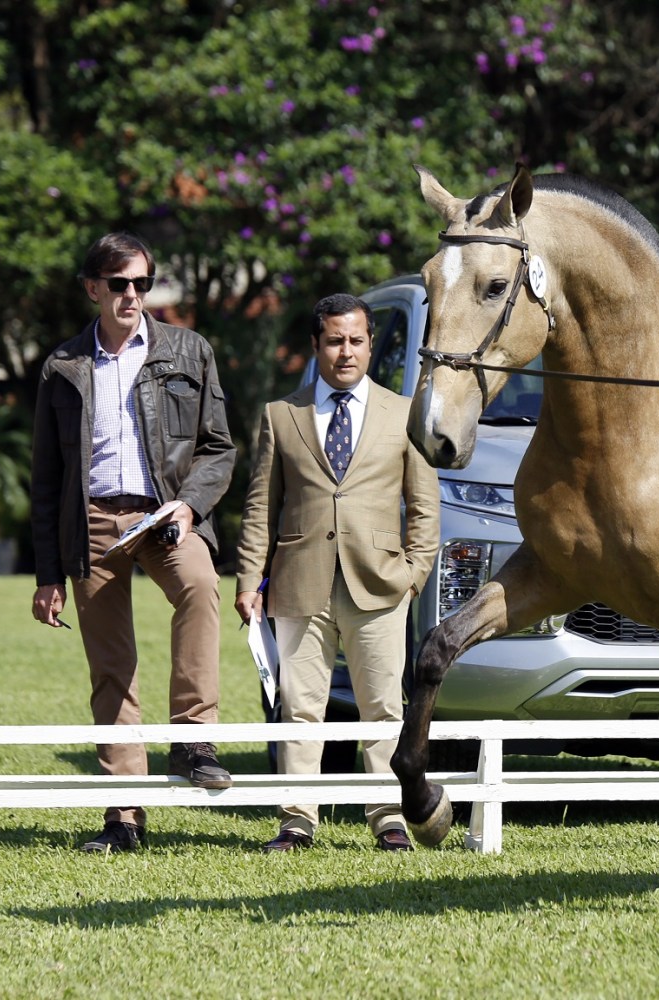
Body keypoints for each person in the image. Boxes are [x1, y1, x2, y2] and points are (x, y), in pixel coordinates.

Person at [30, 231, 236, 854]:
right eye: (118, 284)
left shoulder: (188, 350)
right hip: (90, 521)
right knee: (111, 667)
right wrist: (48, 575)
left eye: (141, 284)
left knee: (201, 588)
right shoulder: (63, 365)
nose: (131, 295)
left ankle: (194, 740)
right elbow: (46, 477)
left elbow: (218, 449)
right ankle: (124, 816)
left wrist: (189, 502)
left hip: (166, 515)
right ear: (93, 287)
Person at [234, 292, 439, 852]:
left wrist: (414, 574)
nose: (345, 352)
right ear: (315, 346)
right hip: (299, 581)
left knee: (382, 705)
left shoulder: (405, 413)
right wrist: (249, 580)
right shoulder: (282, 416)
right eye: (333, 341)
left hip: (380, 583)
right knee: (300, 706)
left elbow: (424, 507)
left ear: (371, 345)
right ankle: (297, 817)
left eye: (355, 341)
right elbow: (260, 507)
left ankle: (387, 815)